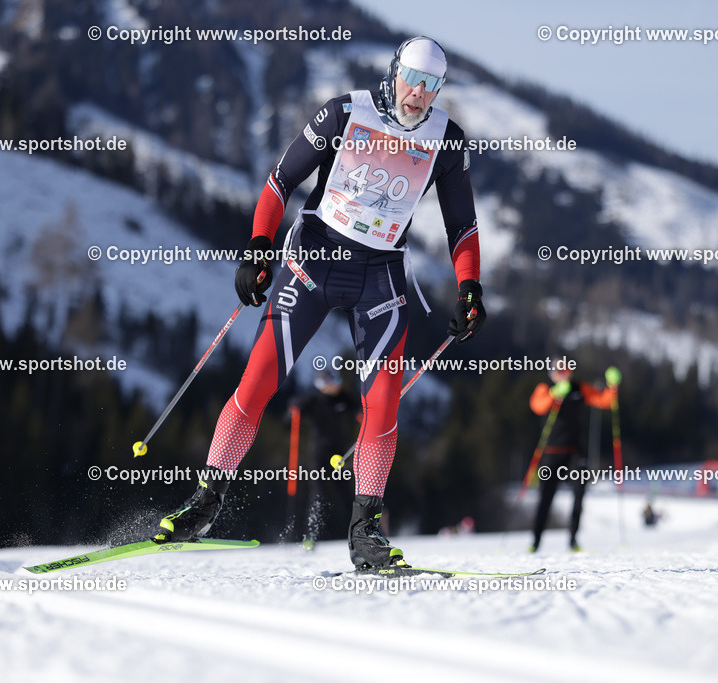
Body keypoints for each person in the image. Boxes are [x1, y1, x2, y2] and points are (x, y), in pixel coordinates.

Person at [154, 37, 485, 570]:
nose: (419, 95)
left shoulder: (446, 140)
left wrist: (470, 286)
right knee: (258, 380)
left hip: (379, 277)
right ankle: (204, 502)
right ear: (393, 72)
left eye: (432, 86)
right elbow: (278, 182)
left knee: (382, 403)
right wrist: (259, 248)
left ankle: (365, 532)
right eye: (413, 80)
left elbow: (462, 226)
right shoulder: (343, 113)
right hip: (313, 261)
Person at [528, 364, 621, 552]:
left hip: (574, 452)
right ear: (552, 373)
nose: (563, 375)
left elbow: (604, 401)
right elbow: (537, 406)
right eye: (558, 371)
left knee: (579, 494)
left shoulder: (580, 388)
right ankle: (536, 541)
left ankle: (573, 540)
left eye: (566, 371)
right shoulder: (544, 388)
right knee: (545, 498)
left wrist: (612, 386)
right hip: (550, 453)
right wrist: (554, 394)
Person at [286, 368, 361, 546]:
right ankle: (310, 537)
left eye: (337, 379)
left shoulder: (344, 398)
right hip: (318, 454)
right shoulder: (313, 400)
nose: (337, 383)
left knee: (348, 495)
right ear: (322, 385)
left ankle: (360, 533)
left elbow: (360, 412)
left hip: (340, 455)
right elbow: (290, 417)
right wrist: (293, 409)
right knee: (318, 495)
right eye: (332, 380)